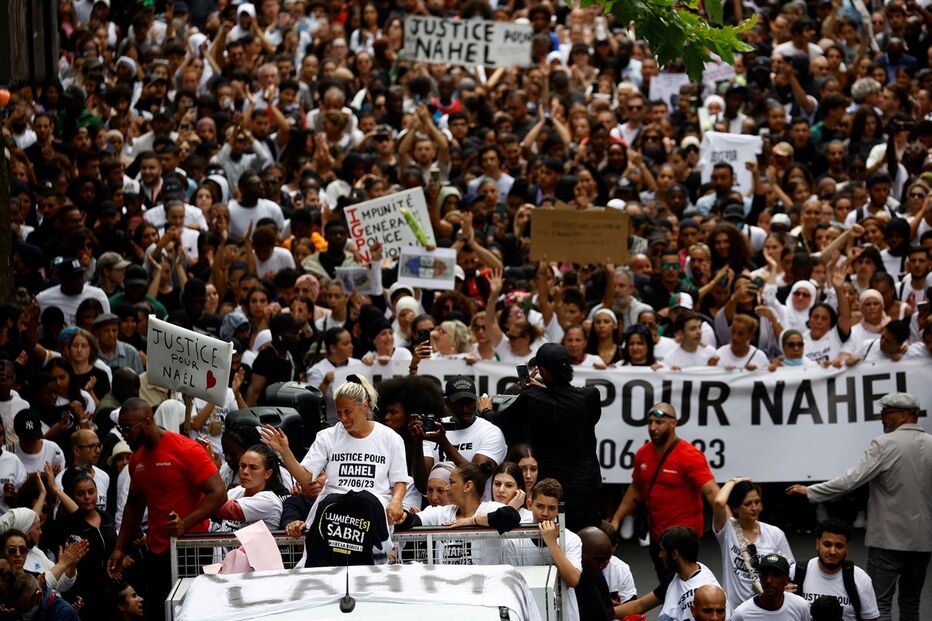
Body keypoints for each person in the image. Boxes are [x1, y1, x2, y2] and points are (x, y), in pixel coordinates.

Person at [787, 392, 932, 621]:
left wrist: (811, 491)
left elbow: (851, 480)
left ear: (904, 415)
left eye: (887, 412)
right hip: (924, 540)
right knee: (911, 602)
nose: (882, 417)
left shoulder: (884, 444)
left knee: (880, 603)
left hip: (888, 539)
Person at [262, 375, 411, 556]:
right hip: (332, 513)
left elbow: (399, 481)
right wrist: (285, 450)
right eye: (339, 412)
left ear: (364, 406)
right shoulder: (327, 436)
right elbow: (305, 477)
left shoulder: (390, 438)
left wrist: (396, 502)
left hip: (370, 514)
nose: (342, 418)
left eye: (348, 412)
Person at [107, 398, 226, 621]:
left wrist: (185, 523)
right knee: (161, 611)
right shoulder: (137, 460)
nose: (123, 434)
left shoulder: (186, 449)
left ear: (148, 421)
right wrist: (119, 547)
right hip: (158, 551)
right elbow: (134, 504)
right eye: (120, 428)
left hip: (192, 547)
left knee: (191, 611)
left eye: (127, 428)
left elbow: (219, 493)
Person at [483, 344, 602, 531]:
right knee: (585, 544)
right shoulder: (590, 396)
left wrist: (485, 409)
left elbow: (499, 420)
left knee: (551, 544)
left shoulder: (532, 399)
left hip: (552, 493)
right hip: (587, 489)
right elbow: (569, 400)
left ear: (543, 372)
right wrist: (547, 391)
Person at [610, 402, 720, 579]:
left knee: (686, 583)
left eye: (659, 422)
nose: (653, 427)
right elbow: (636, 489)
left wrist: (731, 526)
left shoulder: (690, 455)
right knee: (665, 581)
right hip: (657, 536)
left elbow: (711, 492)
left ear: (673, 423)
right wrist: (616, 519)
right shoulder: (642, 454)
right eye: (650, 422)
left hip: (684, 537)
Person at [395, 462, 521, 564]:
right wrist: (402, 516)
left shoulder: (489, 508)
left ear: (467, 486)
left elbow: (511, 517)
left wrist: (472, 521)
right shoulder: (442, 512)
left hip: (482, 589)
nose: (447, 487)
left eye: (452, 482)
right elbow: (413, 520)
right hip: (448, 588)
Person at [507, 479, 584, 619]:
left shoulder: (572, 539)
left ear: (559, 509)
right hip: (528, 611)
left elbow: (572, 579)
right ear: (530, 504)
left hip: (564, 614)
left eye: (551, 508)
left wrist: (552, 543)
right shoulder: (514, 538)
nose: (545, 513)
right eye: (540, 506)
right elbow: (513, 582)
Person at [614, 526, 727, 620]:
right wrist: (604, 612)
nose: (660, 555)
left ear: (674, 554)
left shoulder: (705, 593)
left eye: (662, 550)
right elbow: (640, 605)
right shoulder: (679, 576)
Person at [712, 477, 794, 606]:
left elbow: (790, 568)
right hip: (735, 610)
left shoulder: (775, 533)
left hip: (768, 607)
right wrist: (733, 481)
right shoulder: (727, 531)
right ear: (734, 508)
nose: (754, 507)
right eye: (748, 503)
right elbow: (718, 502)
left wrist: (786, 586)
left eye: (757, 502)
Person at [426, 376, 506, 501]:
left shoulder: (490, 432)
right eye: (459, 403)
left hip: (476, 512)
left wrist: (444, 443)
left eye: (469, 402)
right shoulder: (434, 427)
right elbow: (422, 483)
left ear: (476, 400)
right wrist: (416, 441)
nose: (465, 409)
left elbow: (476, 478)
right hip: (438, 511)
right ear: (447, 403)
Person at [789, 518, 880, 621]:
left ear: (846, 548)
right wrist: (782, 597)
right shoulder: (795, 572)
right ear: (817, 544)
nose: (832, 551)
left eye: (839, 546)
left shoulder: (860, 579)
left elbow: (871, 618)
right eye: (827, 544)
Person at [210, 444, 287, 532]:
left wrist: (206, 470)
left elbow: (221, 508)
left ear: (268, 474)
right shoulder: (236, 491)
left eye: (253, 468)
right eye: (242, 466)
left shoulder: (269, 501)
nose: (245, 472)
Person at [731, 554, 810, 620]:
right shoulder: (741, 614)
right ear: (760, 577)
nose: (768, 580)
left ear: (787, 580)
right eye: (765, 574)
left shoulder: (801, 607)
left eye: (776, 575)